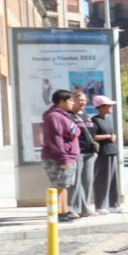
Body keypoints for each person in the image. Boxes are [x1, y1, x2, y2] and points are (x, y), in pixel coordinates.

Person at [40, 89, 80, 220]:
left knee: (64, 185)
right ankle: (58, 212)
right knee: (58, 185)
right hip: (58, 158)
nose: (73, 102)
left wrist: (72, 133)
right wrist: (63, 158)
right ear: (61, 101)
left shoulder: (64, 115)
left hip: (68, 156)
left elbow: (74, 131)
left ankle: (64, 210)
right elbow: (54, 138)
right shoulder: (53, 116)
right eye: (70, 100)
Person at [68, 89, 99, 217]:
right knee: (77, 183)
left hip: (90, 152)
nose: (84, 102)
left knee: (87, 181)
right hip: (78, 152)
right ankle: (75, 208)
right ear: (73, 100)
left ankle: (85, 208)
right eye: (80, 100)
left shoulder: (85, 115)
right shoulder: (69, 116)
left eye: (85, 100)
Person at [89, 95, 121, 214]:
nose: (112, 107)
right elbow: (93, 136)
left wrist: (113, 137)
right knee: (102, 179)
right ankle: (100, 206)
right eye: (109, 105)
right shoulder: (94, 120)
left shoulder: (108, 119)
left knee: (113, 179)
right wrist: (108, 137)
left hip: (112, 151)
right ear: (101, 107)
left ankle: (113, 204)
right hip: (102, 153)